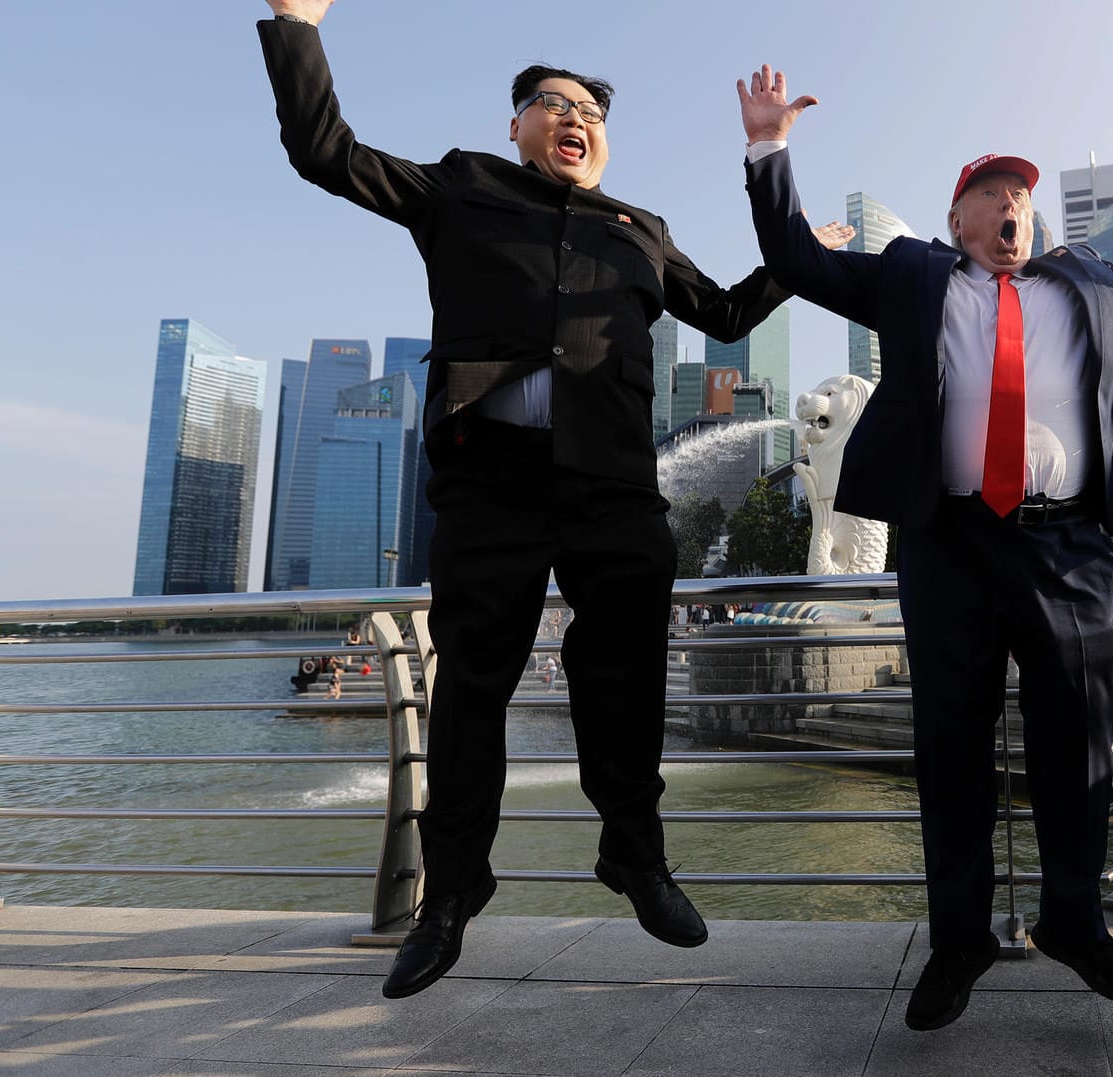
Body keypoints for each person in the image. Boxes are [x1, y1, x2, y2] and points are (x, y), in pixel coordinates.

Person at [256, 4, 848, 1000]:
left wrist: (790, 214)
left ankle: (635, 854)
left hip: (611, 487)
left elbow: (733, 311)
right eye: (556, 105)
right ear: (517, 125)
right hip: (489, 484)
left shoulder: (641, 233)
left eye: (592, 114)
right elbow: (325, 151)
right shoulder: (461, 186)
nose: (576, 120)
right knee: (474, 690)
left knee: (622, 672)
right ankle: (450, 895)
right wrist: (295, 26)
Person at [736, 65, 1113, 1031]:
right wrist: (770, 149)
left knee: (1076, 741)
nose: (1012, 205)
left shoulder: (1091, 279)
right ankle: (959, 938)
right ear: (959, 217)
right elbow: (802, 263)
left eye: (1022, 195)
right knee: (952, 749)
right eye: (991, 195)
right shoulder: (911, 276)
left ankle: (1076, 920)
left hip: (1067, 546)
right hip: (951, 542)